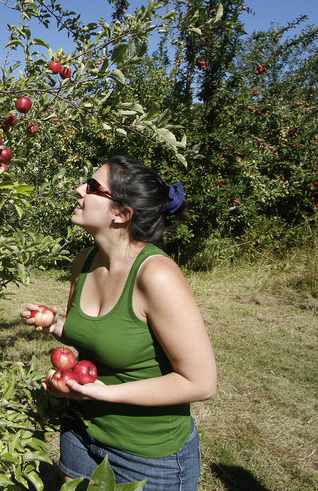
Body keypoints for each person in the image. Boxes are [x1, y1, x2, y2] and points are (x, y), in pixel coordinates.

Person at [21, 155, 217, 490]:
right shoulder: (84, 262)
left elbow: (201, 382)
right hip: (80, 431)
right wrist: (55, 325)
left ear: (121, 214)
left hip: (147, 455)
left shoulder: (156, 275)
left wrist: (105, 393)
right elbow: (100, 337)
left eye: (94, 187)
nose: (79, 189)